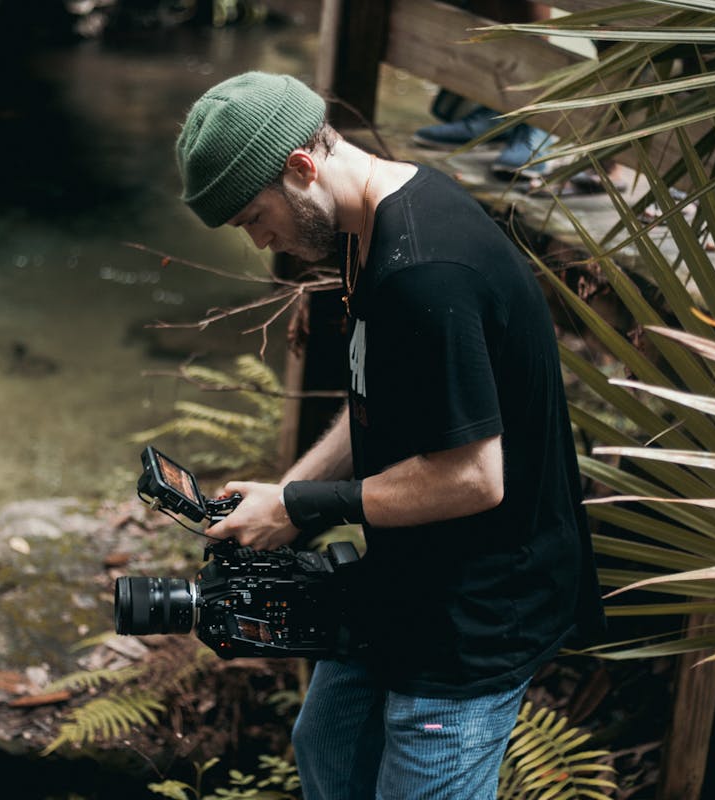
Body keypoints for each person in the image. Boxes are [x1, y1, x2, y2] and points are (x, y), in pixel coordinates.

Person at [173, 71, 605, 800]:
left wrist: (306, 508)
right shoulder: (364, 230)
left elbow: (473, 477)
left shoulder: (425, 269)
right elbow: (374, 401)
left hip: (481, 610)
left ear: (302, 168)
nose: (259, 244)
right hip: (409, 579)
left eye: (253, 217)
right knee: (328, 743)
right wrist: (288, 492)